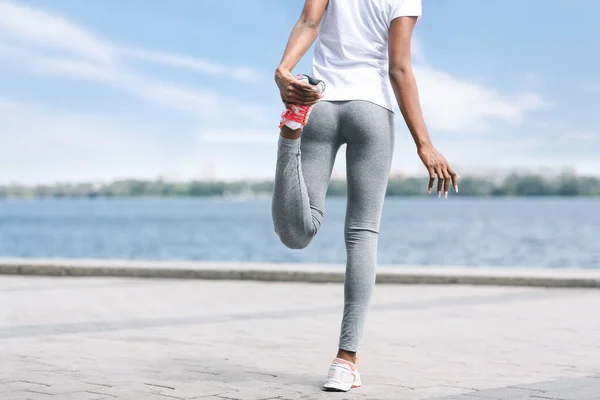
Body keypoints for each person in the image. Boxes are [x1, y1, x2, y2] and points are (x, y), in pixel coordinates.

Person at [271, 0, 459, 392]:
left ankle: (289, 136)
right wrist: (424, 145)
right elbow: (399, 68)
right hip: (371, 109)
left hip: (317, 105)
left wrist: (284, 70)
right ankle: (345, 361)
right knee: (362, 233)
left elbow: (308, 19)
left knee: (298, 232)